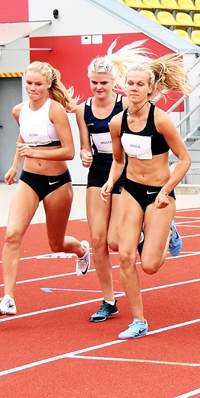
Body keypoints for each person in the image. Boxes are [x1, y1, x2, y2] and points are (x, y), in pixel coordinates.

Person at [102, 54, 193, 339]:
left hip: (159, 194)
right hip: (130, 189)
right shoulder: (117, 123)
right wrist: (110, 181)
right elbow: (118, 160)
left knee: (151, 265)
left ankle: (168, 230)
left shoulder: (161, 120)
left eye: (140, 84)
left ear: (150, 89)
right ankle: (139, 321)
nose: (134, 88)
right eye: (130, 83)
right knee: (126, 256)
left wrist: (166, 191)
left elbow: (184, 159)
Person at [0, 62, 91, 316]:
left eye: (38, 84)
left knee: (55, 244)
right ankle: (8, 298)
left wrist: (35, 152)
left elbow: (68, 152)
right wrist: (15, 166)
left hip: (57, 183)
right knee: (12, 234)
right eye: (29, 83)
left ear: (48, 85)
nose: (33, 89)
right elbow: (24, 137)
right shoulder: (19, 110)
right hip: (29, 180)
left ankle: (81, 249)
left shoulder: (55, 110)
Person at [75, 40, 150, 323]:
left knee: (116, 242)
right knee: (97, 240)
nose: (98, 87)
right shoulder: (83, 111)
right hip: (98, 170)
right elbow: (86, 146)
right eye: (94, 82)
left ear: (112, 82)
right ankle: (109, 300)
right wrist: (84, 154)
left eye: (104, 82)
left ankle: (143, 228)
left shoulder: (124, 104)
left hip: (123, 170)